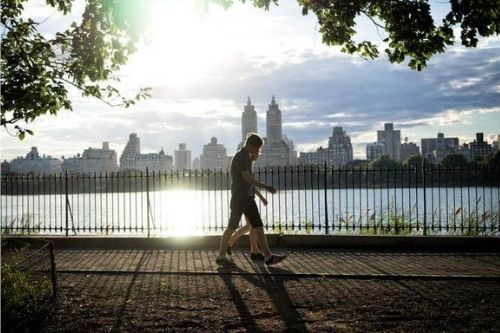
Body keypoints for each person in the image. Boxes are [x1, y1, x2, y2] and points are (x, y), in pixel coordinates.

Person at [216, 133, 287, 266]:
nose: (258, 151)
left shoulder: (242, 156)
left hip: (240, 197)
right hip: (244, 198)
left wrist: (260, 194)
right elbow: (247, 179)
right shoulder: (244, 157)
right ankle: (267, 256)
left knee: (240, 226)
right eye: (258, 148)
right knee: (253, 226)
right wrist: (266, 186)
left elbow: (247, 181)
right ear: (252, 146)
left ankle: (221, 256)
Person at [226, 187, 267, 261]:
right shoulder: (244, 176)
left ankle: (230, 244)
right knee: (252, 225)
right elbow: (252, 185)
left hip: (246, 199)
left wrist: (261, 197)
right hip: (245, 200)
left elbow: (252, 186)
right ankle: (254, 252)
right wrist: (262, 197)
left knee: (250, 226)